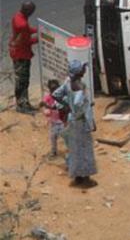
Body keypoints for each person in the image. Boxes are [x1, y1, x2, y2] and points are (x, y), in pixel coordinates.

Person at [53, 60, 98, 188]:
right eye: (83, 69)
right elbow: (79, 104)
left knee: (74, 149)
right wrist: (85, 105)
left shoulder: (68, 82)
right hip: (81, 121)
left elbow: (56, 95)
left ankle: (77, 176)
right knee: (85, 150)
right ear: (79, 72)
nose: (84, 70)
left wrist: (67, 106)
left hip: (72, 120)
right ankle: (86, 178)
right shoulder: (80, 87)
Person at [9, 1, 37, 113]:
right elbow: (27, 41)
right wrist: (39, 38)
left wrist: (37, 30)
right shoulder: (23, 24)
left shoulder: (17, 17)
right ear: (27, 11)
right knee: (23, 81)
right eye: (31, 11)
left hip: (15, 51)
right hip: (22, 54)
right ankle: (22, 105)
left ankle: (22, 103)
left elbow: (26, 32)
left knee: (19, 79)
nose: (31, 14)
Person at [41, 79, 66, 158]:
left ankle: (71, 152)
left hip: (62, 122)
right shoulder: (48, 98)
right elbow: (43, 105)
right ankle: (53, 151)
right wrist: (45, 110)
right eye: (52, 90)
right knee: (53, 137)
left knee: (66, 137)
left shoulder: (62, 97)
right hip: (53, 122)